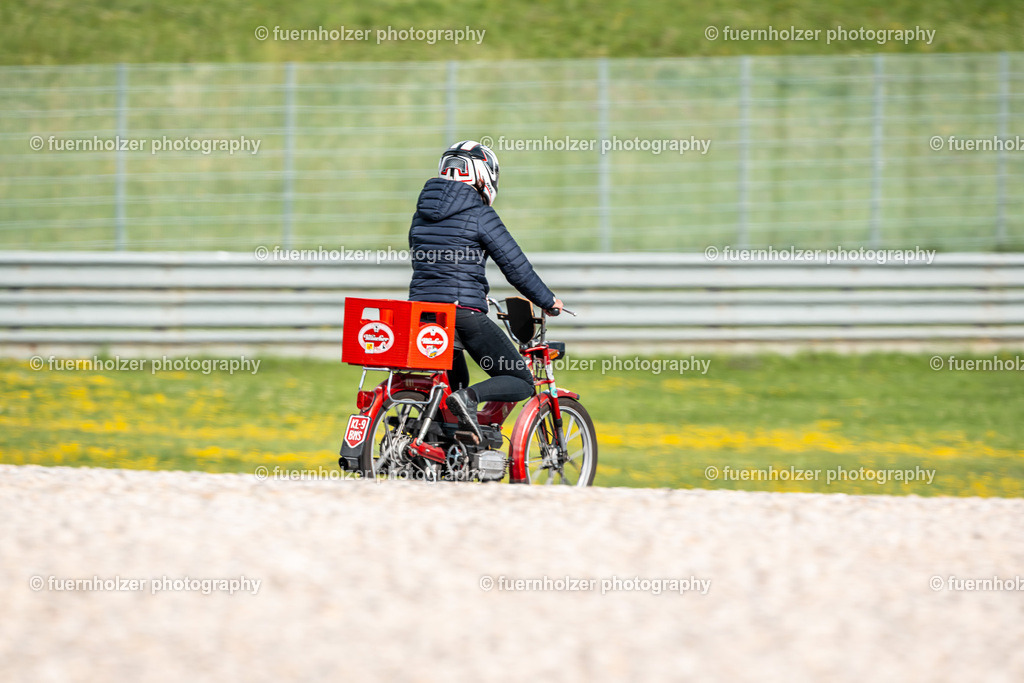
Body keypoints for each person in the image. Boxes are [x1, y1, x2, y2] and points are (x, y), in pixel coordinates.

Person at [408, 140, 563, 442]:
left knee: (453, 382)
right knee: (521, 379)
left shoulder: (421, 214)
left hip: (422, 314)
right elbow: (516, 267)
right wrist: (548, 300)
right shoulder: (480, 214)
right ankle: (469, 399)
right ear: (483, 175)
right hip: (462, 314)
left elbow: (427, 263)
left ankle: (451, 446)